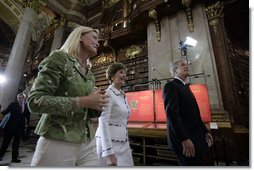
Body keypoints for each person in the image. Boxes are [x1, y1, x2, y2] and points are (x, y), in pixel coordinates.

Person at [27, 26, 109, 166]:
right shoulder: (59, 58)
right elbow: (35, 101)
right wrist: (84, 101)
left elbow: (89, 112)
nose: (98, 42)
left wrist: (97, 104)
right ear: (80, 37)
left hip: (87, 140)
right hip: (58, 139)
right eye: (94, 38)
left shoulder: (90, 75)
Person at [162, 59, 213, 166]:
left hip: (195, 137)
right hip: (186, 140)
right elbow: (172, 115)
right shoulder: (171, 86)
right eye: (182, 65)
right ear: (175, 70)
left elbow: (194, 114)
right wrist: (184, 139)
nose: (186, 66)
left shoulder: (185, 87)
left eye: (187, 65)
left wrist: (205, 131)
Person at [95, 63, 134, 166]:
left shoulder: (123, 95)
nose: (124, 75)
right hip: (109, 144)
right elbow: (103, 122)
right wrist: (108, 151)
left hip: (123, 143)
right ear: (112, 76)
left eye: (125, 73)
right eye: (121, 72)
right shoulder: (108, 93)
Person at [0, 93, 30, 163]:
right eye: (18, 97)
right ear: (17, 98)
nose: (19, 99)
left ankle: (14, 158)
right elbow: (6, 112)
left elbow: (27, 116)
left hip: (19, 128)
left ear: (23, 98)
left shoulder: (26, 106)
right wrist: (2, 111)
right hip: (10, 127)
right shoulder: (13, 104)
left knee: (16, 143)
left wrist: (27, 124)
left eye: (21, 98)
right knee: (5, 142)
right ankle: (0, 156)